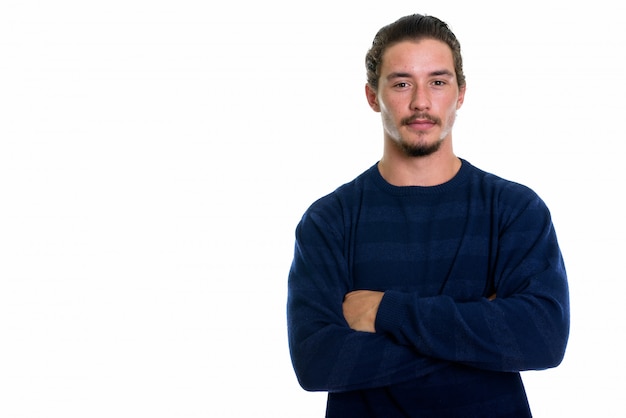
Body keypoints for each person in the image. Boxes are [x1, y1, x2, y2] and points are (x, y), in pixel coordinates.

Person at [286, 13, 570, 417]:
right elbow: (317, 363)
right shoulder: (329, 220)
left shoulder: (514, 209)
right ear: (372, 96)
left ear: (460, 94)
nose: (421, 101)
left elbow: (542, 337)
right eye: (402, 83)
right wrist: (478, 331)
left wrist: (386, 312)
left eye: (438, 82)